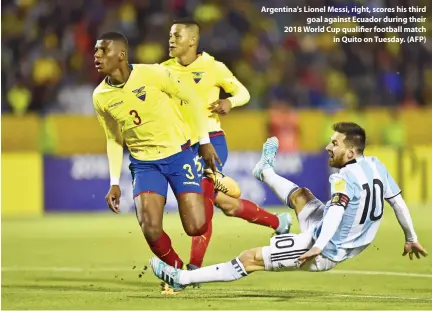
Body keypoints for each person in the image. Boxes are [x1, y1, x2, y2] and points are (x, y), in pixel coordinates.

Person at [150, 122, 428, 290]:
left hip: (323, 248)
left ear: (351, 152)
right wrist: (411, 237)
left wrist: (318, 246)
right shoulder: (376, 165)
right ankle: (265, 171)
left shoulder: (344, 178)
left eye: (335, 144)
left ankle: (182, 278)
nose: (328, 147)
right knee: (302, 196)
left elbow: (336, 212)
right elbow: (398, 203)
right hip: (342, 238)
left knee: (249, 259)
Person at [161, 18, 291, 274]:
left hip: (211, 143)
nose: (171, 40)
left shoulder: (213, 67)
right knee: (226, 203)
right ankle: (279, 221)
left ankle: (193, 269)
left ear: (192, 40)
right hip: (182, 147)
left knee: (201, 203)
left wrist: (230, 103)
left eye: (176, 35)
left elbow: (244, 93)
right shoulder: (163, 70)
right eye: (170, 35)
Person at [92, 31, 223, 273]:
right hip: (144, 164)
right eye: (96, 51)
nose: (97, 55)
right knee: (150, 227)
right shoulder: (100, 97)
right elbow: (113, 139)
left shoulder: (152, 73)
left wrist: (204, 141)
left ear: (121, 55)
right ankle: (175, 271)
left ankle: (214, 191)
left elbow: (192, 98)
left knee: (196, 227)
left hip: (179, 154)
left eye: (103, 50)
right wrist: (114, 181)